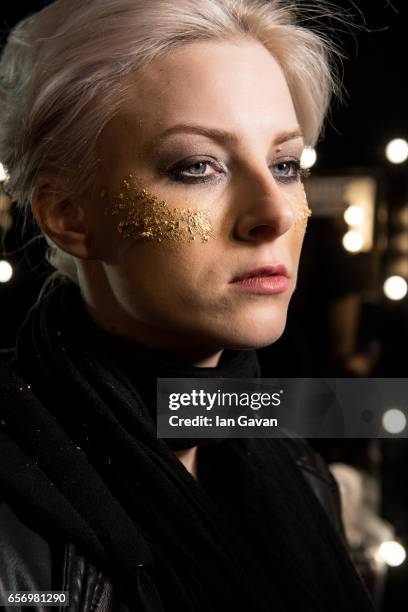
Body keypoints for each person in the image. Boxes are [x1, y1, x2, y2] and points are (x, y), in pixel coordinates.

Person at [0, 1, 375, 610]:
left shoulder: (300, 469)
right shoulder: (16, 528)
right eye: (197, 166)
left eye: (284, 165)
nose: (275, 213)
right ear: (68, 215)